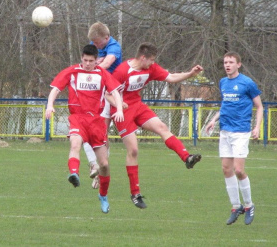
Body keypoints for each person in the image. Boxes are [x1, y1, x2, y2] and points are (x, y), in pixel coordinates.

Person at [110, 43, 203, 209]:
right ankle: (135, 193)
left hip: (137, 106)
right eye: (151, 60)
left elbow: (171, 77)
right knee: (133, 150)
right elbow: (107, 93)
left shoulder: (150, 68)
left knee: (162, 127)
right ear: (143, 58)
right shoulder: (122, 71)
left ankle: (186, 157)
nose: (153, 63)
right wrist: (118, 105)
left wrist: (190, 73)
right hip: (122, 111)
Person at [45, 44, 124, 213]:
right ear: (81, 58)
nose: (87, 63)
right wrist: (50, 105)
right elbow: (55, 89)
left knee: (103, 164)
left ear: (97, 61)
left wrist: (119, 109)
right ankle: (74, 173)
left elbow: (115, 92)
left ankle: (103, 195)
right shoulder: (72, 71)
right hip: (78, 118)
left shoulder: (102, 74)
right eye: (85, 60)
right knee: (75, 144)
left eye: (91, 61)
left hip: (96, 121)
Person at [206, 52, 263, 225]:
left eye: (231, 62)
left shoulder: (247, 83)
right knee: (226, 169)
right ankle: (235, 206)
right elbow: (225, 105)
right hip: (225, 131)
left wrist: (257, 127)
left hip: (240, 132)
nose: (227, 65)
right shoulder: (223, 82)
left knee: (238, 170)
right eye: (225, 62)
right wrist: (213, 120)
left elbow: (259, 106)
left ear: (239, 64)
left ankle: (249, 205)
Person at [84, 22, 123, 189]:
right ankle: (95, 166)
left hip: (112, 93)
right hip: (97, 93)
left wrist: (96, 64)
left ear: (106, 38)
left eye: (98, 43)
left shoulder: (114, 47)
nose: (95, 45)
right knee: (89, 131)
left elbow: (106, 64)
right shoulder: (94, 45)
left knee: (103, 135)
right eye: (93, 42)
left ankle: (101, 169)